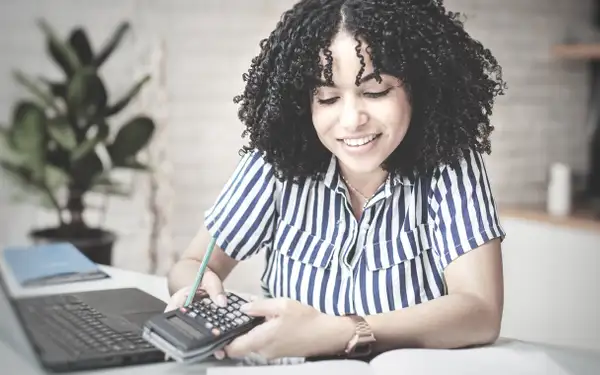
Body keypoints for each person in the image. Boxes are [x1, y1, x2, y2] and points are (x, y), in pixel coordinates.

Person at [167, 0, 507, 363]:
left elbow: (480, 310)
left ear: (420, 87)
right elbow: (193, 263)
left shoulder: (449, 165)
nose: (351, 120)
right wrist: (198, 290)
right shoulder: (278, 162)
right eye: (327, 98)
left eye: (375, 91)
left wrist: (339, 332)